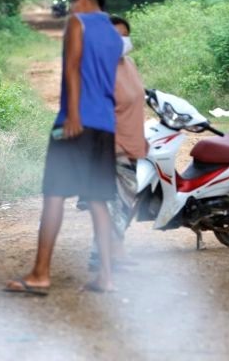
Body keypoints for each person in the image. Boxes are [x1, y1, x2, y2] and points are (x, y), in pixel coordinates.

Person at [6, 0, 122, 295]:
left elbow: (72, 67)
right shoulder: (114, 34)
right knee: (98, 200)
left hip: (75, 121)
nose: (71, 8)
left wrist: (72, 115)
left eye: (73, 3)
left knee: (54, 195)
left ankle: (40, 273)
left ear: (83, 1)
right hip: (104, 125)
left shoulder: (78, 22)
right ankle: (106, 278)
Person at [81, 15, 148, 271]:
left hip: (131, 144)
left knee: (123, 205)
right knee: (113, 205)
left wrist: (141, 138)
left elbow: (135, 103)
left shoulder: (128, 63)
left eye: (123, 35)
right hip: (109, 146)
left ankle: (109, 254)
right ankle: (105, 257)